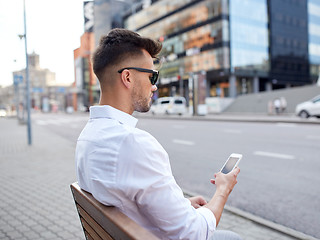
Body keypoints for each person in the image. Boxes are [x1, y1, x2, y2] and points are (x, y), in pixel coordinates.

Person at [75, 28, 241, 240]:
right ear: (127, 77)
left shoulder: (87, 136)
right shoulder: (134, 143)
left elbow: (124, 201)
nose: (154, 87)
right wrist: (223, 190)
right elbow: (194, 233)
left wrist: (181, 206)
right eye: (152, 76)